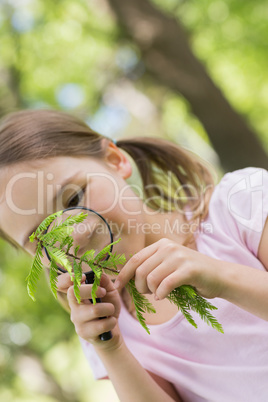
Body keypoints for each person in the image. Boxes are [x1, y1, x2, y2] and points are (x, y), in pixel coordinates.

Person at [0, 109, 267, 402]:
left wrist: (220, 277)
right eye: (43, 237)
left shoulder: (241, 209)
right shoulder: (108, 325)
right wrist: (111, 350)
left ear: (115, 160)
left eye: (74, 198)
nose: (75, 235)